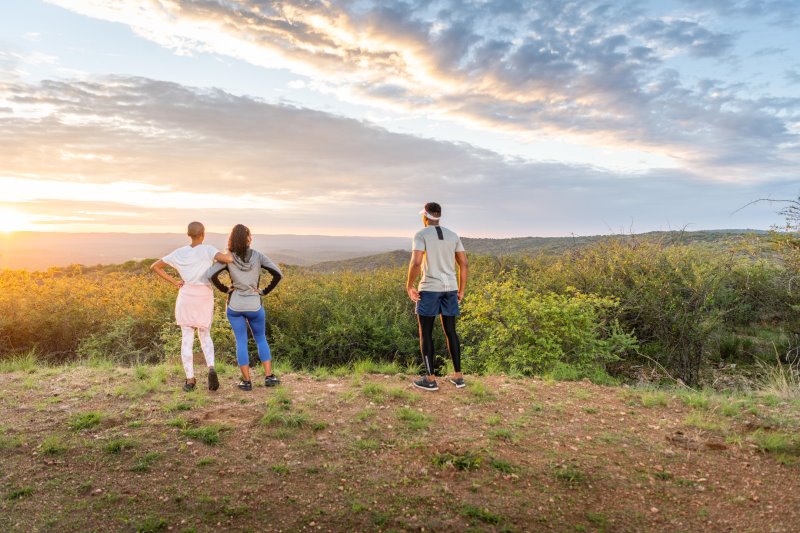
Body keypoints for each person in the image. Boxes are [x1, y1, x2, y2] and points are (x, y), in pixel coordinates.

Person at [151, 221, 231, 392]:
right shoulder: (208, 249)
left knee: (186, 339)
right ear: (203, 233)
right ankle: (210, 367)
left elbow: (155, 266)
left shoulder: (179, 253)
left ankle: (190, 380)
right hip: (204, 296)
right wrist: (228, 249)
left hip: (186, 295)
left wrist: (174, 282)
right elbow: (228, 259)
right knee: (205, 335)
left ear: (188, 234)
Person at [207, 224, 283, 391]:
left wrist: (225, 289)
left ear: (232, 238)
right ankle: (269, 377)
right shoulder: (258, 256)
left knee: (241, 341)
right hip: (255, 305)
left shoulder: (228, 257)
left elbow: (210, 275)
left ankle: (246, 381)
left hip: (235, 305)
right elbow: (278, 274)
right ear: (249, 238)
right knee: (261, 339)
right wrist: (264, 291)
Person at [406, 202, 468, 391]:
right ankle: (458, 377)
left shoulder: (421, 235)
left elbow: (416, 262)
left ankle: (430, 379)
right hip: (450, 288)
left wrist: (409, 286)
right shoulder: (453, 235)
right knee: (451, 331)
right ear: (438, 216)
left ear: (425, 216)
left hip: (430, 289)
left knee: (426, 332)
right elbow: (464, 263)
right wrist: (461, 289)